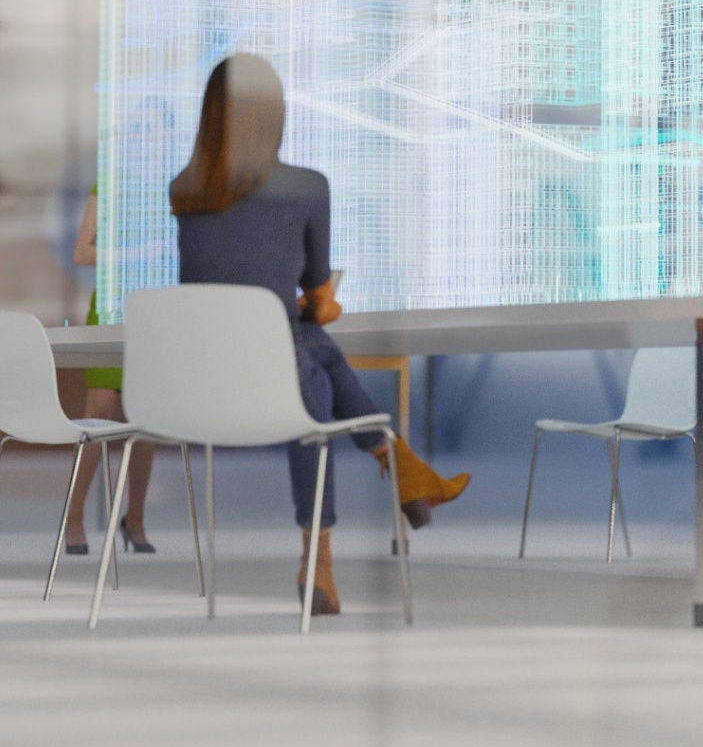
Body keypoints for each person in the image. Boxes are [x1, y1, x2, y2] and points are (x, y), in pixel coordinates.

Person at [170, 53, 470, 615]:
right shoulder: (305, 187)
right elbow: (318, 292)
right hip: (277, 376)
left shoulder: (184, 190)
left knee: (308, 349)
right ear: (275, 115)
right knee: (314, 361)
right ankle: (331, 548)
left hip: (203, 378)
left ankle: (404, 470)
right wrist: (319, 304)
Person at [65, 184, 157, 555]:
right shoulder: (106, 184)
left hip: (154, 308)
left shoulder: (175, 188)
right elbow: (82, 252)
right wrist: (135, 254)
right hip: (110, 309)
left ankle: (134, 517)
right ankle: (74, 516)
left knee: (146, 415)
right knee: (99, 411)